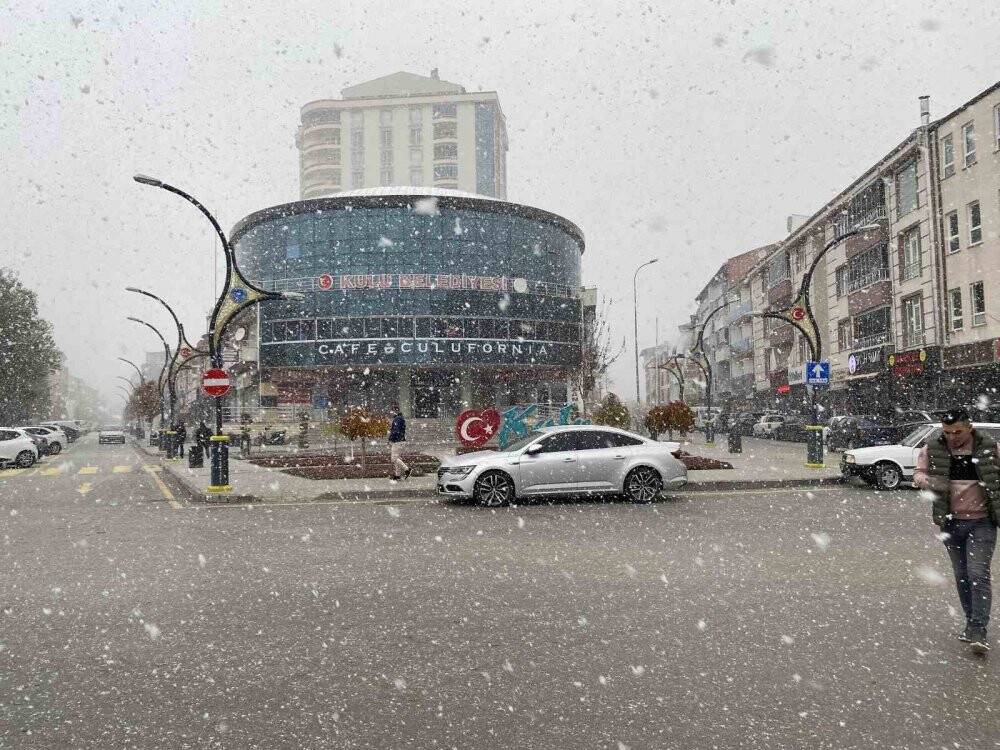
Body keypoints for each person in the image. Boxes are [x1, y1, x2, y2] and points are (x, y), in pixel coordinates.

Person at [914, 407, 1000, 654]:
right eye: (947, 432)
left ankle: (979, 630)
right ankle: (971, 623)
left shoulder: (989, 448)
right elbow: (918, 474)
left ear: (969, 428)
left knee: (978, 574)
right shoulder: (932, 449)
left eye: (958, 432)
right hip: (951, 522)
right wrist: (930, 482)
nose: (952, 437)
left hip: (982, 522)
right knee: (962, 575)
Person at [387, 404, 410, 481]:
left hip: (397, 441)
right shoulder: (400, 418)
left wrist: (391, 439)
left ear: (395, 411)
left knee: (394, 458)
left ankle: (407, 469)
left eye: (392, 411)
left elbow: (396, 431)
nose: (391, 413)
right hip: (400, 440)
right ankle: (398, 475)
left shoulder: (397, 419)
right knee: (397, 458)